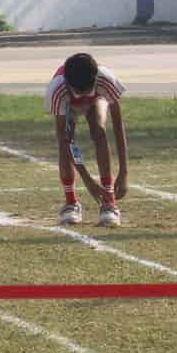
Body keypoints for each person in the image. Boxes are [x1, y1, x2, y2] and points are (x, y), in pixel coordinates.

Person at [46, 52, 128, 226]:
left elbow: (118, 126)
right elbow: (65, 139)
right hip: (69, 103)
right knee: (64, 147)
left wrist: (124, 172)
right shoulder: (57, 89)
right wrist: (87, 179)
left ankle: (109, 203)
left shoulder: (106, 80)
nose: (82, 97)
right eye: (79, 92)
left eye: (86, 91)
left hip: (97, 99)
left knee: (99, 131)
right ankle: (71, 203)